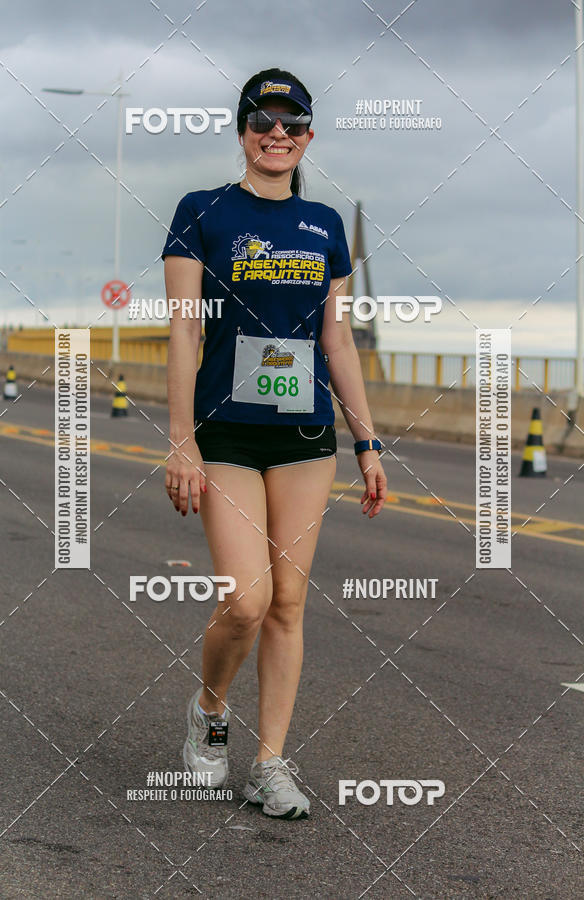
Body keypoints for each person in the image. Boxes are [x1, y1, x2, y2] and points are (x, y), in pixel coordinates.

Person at [162, 68, 387, 820]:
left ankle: (269, 764)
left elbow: (338, 340)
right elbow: (186, 329)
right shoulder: (202, 213)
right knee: (245, 602)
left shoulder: (324, 226)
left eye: (292, 123)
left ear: (308, 136)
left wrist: (367, 442)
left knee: (289, 603)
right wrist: (182, 442)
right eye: (264, 121)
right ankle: (212, 709)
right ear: (243, 131)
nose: (278, 134)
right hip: (224, 434)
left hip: (304, 438)